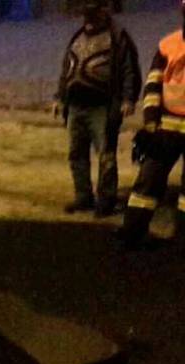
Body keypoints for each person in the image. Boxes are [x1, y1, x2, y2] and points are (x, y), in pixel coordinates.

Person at [53, 0, 141, 217]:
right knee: (77, 154)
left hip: (102, 106)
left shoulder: (117, 36)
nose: (88, 20)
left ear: (103, 12)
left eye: (93, 14)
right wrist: (60, 98)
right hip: (76, 106)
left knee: (105, 156)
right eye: (86, 15)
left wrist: (128, 99)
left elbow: (129, 69)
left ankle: (106, 200)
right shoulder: (78, 37)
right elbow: (68, 69)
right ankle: (83, 196)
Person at [118, 0, 185, 248]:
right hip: (166, 126)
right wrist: (150, 121)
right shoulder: (169, 45)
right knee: (148, 182)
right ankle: (131, 232)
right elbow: (153, 85)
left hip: (167, 126)